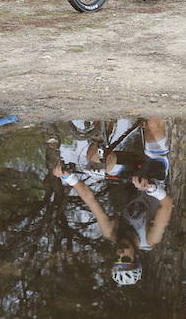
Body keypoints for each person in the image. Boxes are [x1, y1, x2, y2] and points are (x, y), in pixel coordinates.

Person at [53, 118, 173, 286]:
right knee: (153, 123)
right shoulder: (150, 238)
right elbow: (167, 204)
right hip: (156, 172)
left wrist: (69, 178)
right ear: (135, 257)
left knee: (96, 159)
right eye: (125, 258)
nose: (120, 252)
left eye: (116, 258)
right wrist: (152, 189)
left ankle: (104, 122)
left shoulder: (111, 232)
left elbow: (90, 200)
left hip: (132, 173)